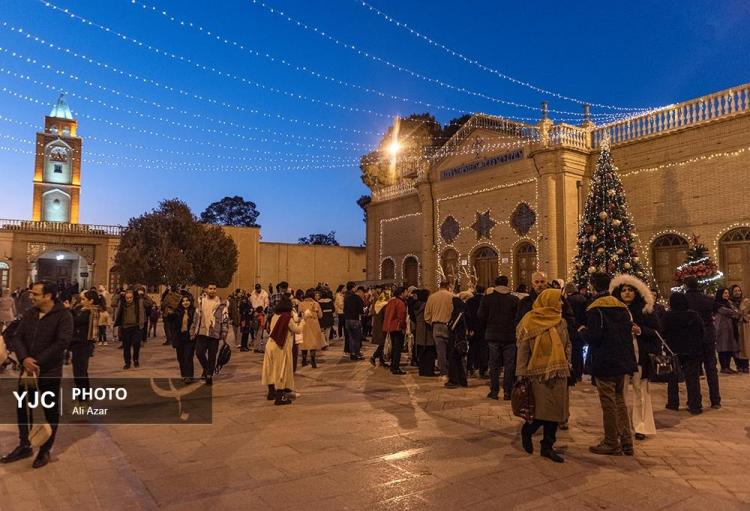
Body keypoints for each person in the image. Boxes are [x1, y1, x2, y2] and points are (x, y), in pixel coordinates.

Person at [0, 281, 73, 469]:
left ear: (48, 296)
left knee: (50, 410)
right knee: (23, 407)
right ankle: (24, 444)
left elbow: (62, 342)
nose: (31, 296)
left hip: (48, 372)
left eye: (35, 294)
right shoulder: (31, 314)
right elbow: (17, 337)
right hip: (27, 371)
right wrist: (24, 359)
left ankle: (45, 449)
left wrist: (37, 362)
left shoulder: (63, 316)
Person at [580, 272, 638, 456]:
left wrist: (582, 331)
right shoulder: (621, 307)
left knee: (608, 402)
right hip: (623, 360)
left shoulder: (596, 309)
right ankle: (627, 441)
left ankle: (611, 441)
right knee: (620, 400)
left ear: (593, 286)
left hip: (605, 362)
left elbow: (594, 337)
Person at [516, 289, 572, 463]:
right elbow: (523, 350)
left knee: (555, 413)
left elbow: (567, 344)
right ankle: (528, 430)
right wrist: (521, 373)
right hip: (537, 374)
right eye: (558, 300)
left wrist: (567, 362)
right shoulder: (530, 321)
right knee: (541, 412)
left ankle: (547, 446)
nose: (561, 304)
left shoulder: (561, 322)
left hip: (558, 372)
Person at [610, 274, 661, 441]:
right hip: (620, 357)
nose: (626, 293)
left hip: (641, 357)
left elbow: (656, 332)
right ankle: (622, 427)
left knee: (640, 393)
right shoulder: (614, 310)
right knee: (621, 393)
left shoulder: (645, 310)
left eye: (630, 290)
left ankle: (641, 426)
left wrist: (640, 331)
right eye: (623, 290)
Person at [478, 276, 519, 400]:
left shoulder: (488, 299)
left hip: (493, 335)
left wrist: (488, 325)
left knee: (494, 365)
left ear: (495, 285)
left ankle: (494, 391)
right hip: (510, 336)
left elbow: (480, 315)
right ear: (507, 284)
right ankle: (507, 391)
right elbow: (518, 318)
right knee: (509, 365)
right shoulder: (514, 299)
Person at [683, 277, 721, 408]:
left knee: (692, 370)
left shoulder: (683, 300)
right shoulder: (707, 299)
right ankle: (715, 400)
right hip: (708, 337)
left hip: (692, 338)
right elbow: (716, 309)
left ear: (686, 286)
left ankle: (694, 402)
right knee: (711, 368)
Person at [664, 292, 705, 414]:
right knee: (692, 379)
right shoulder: (693, 315)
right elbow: (701, 330)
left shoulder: (668, 316)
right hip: (691, 350)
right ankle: (695, 405)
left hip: (673, 351)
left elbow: (662, 332)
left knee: (672, 378)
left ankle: (673, 403)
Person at [262, 297, 303, 405]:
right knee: (281, 371)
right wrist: (304, 320)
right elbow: (297, 330)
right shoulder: (287, 318)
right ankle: (279, 398)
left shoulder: (274, 316)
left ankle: (271, 393)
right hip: (280, 347)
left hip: (270, 344)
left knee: (270, 369)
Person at [191, 283, 228, 385]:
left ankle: (209, 376)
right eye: (210, 288)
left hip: (214, 333)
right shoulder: (201, 301)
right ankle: (207, 369)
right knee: (199, 353)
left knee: (212, 356)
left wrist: (224, 333)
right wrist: (193, 330)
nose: (212, 290)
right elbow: (196, 317)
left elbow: (225, 320)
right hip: (202, 332)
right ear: (206, 289)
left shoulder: (221, 303)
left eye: (214, 289)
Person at [70, 290, 100, 394]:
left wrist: (69, 311)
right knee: (80, 372)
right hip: (76, 344)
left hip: (83, 345)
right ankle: (84, 396)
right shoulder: (80, 309)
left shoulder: (90, 312)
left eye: (83, 299)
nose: (81, 301)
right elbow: (74, 314)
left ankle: (83, 398)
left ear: (91, 301)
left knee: (80, 373)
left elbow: (75, 321)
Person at [424, 281, 454, 375]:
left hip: (436, 325)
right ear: (448, 286)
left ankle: (443, 371)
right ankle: (452, 370)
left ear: (439, 286)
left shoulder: (432, 297)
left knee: (440, 351)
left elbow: (427, 315)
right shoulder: (453, 296)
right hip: (449, 325)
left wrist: (431, 323)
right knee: (451, 349)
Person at [114, 289, 146, 369]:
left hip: (136, 327)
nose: (129, 300)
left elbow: (150, 303)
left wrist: (143, 294)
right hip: (125, 327)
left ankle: (135, 359)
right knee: (126, 346)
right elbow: (113, 303)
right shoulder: (122, 303)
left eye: (130, 298)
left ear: (133, 297)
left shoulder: (138, 302)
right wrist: (119, 295)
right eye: (127, 298)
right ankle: (127, 362)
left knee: (136, 344)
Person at [564, 282, 589, 382]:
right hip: (581, 328)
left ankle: (574, 373)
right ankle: (580, 372)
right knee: (579, 352)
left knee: (573, 352)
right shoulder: (583, 298)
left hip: (572, 329)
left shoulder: (568, 300)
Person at [382, 287, 409, 375]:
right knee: (398, 348)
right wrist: (403, 327)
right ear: (401, 293)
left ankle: (393, 365)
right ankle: (395, 367)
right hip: (397, 327)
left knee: (394, 347)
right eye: (406, 292)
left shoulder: (391, 301)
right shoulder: (400, 303)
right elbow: (402, 316)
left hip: (390, 327)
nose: (407, 293)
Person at [445, 293, 469, 388]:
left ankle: (455, 380)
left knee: (454, 360)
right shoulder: (461, 311)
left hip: (456, 339)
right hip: (458, 339)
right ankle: (461, 380)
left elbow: (452, 326)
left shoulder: (458, 313)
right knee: (458, 360)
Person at [171, 294, 196, 383]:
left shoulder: (194, 312)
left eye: (187, 301)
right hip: (179, 337)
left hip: (189, 337)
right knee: (180, 357)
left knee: (188, 357)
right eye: (183, 301)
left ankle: (189, 376)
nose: (185, 302)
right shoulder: (177, 312)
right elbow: (172, 325)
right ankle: (184, 375)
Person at [715, 287, 740, 374]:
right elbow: (731, 312)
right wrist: (735, 312)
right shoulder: (718, 304)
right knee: (723, 347)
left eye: (727, 293)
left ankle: (728, 366)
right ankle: (723, 367)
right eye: (725, 293)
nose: (727, 295)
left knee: (729, 347)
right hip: (722, 329)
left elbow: (736, 312)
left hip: (730, 328)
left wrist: (735, 312)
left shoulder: (729, 302)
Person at [465, 285, 487, 378]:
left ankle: (470, 367)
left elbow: (467, 316)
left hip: (473, 329)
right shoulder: (486, 300)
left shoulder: (470, 301)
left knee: (472, 348)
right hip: (484, 328)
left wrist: (470, 328)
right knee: (484, 349)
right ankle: (483, 369)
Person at [299, 289, 324, 368]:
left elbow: (299, 314)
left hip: (304, 324)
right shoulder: (316, 303)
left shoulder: (301, 304)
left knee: (304, 342)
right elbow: (320, 315)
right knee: (313, 342)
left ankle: (304, 360)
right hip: (314, 325)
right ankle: (313, 360)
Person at [343, 282, 365, 360]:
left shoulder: (346, 297)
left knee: (351, 337)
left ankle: (352, 353)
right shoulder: (357, 297)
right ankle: (356, 353)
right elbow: (361, 310)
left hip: (347, 319)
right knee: (356, 338)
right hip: (355, 319)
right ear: (353, 288)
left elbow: (344, 309)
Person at [730, 285, 749, 373]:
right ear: (732, 292)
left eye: (739, 291)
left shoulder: (745, 301)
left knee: (744, 345)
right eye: (735, 291)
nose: (738, 292)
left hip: (744, 326)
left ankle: (745, 365)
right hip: (733, 326)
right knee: (736, 346)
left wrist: (746, 316)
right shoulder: (730, 303)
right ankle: (739, 365)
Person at [369, 291, 389, 368]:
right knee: (383, 343)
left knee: (382, 343)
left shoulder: (378, 305)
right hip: (382, 327)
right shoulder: (383, 306)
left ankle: (381, 361)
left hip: (377, 326)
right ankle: (373, 357)